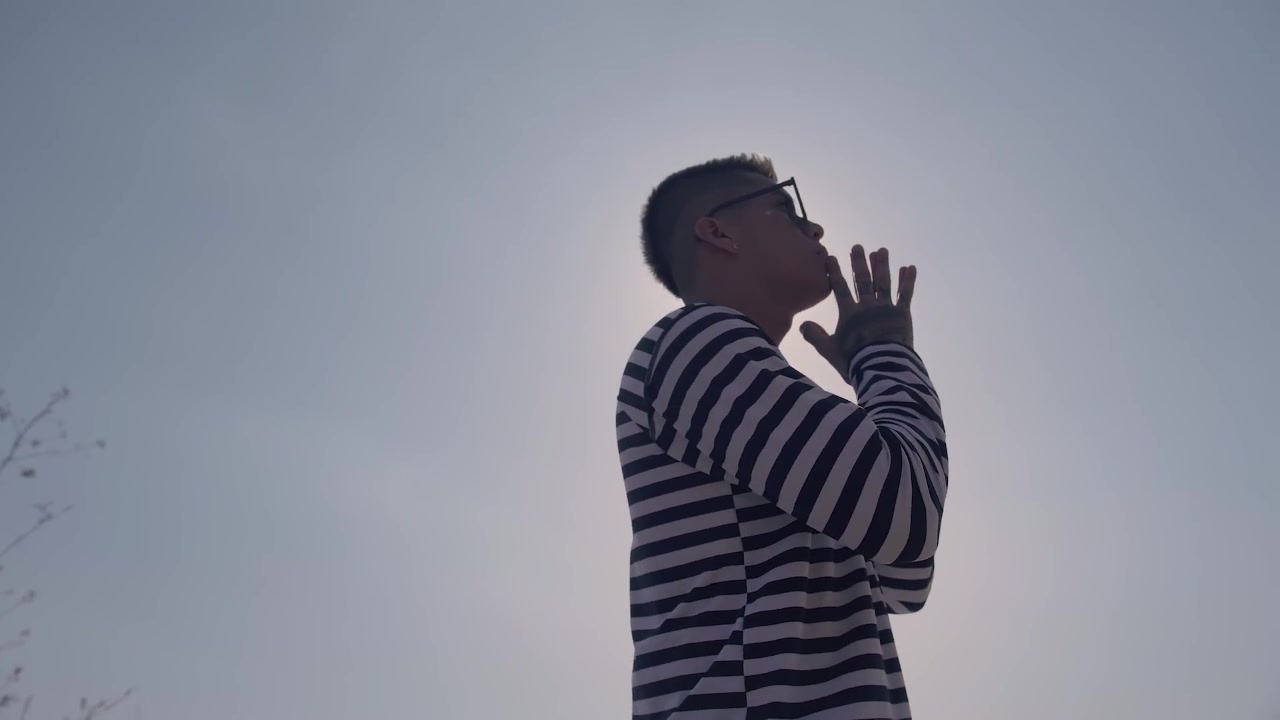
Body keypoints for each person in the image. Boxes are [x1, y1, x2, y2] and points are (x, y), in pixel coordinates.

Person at [615, 154, 948, 719]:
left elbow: (904, 578)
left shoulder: (734, 381)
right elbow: (909, 517)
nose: (814, 228)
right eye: (786, 209)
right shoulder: (696, 341)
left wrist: (876, 371)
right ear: (718, 232)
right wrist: (885, 354)